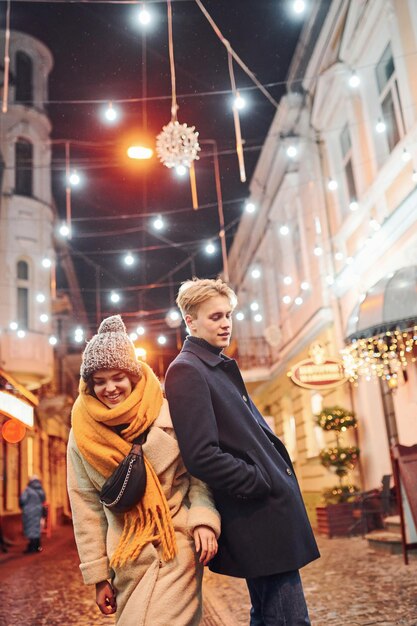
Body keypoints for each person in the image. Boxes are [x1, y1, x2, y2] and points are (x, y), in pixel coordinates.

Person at [165, 278, 320, 626]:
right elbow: (201, 454)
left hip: (265, 515)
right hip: (256, 514)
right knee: (287, 619)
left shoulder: (215, 365)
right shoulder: (188, 370)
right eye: (215, 316)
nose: (225, 323)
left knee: (270, 615)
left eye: (228, 315)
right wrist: (259, 481)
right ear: (190, 321)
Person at [67, 315, 220, 626]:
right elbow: (85, 506)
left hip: (177, 547)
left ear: (133, 376)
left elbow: (199, 478)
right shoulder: (81, 433)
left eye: (117, 377)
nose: (110, 388)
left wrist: (203, 520)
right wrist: (98, 576)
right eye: (99, 380)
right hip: (127, 561)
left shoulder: (168, 413)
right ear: (89, 383)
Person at [19, 475, 46, 554]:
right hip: (38, 511)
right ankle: (37, 546)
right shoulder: (41, 490)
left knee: (30, 529)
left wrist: (22, 507)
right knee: (36, 529)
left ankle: (32, 547)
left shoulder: (28, 490)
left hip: (29, 512)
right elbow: (43, 499)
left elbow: (22, 500)